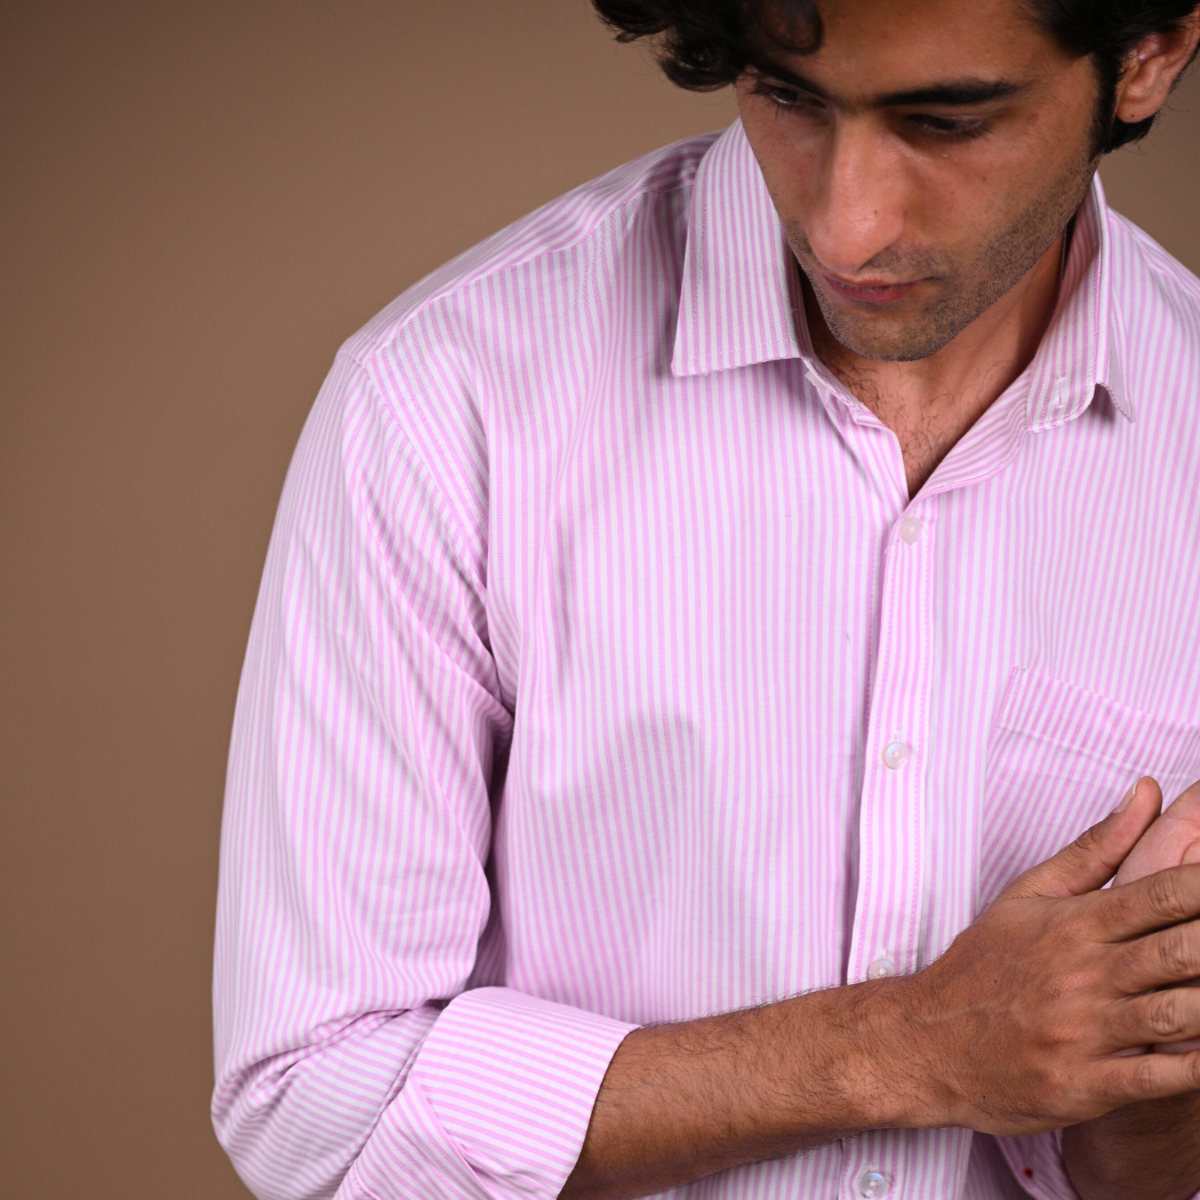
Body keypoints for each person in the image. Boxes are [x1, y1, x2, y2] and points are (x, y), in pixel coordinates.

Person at [211, 1, 1200, 1197]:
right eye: (788, 97)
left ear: (1149, 55)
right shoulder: (444, 401)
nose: (848, 222)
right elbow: (317, 1112)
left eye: (944, 121)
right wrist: (910, 1050)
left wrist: (1146, 1088)